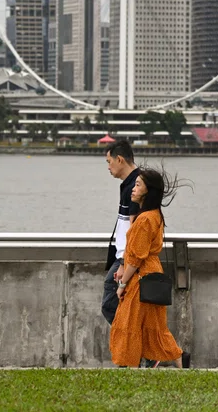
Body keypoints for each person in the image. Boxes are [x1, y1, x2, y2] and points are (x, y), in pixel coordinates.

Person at [110, 166, 190, 368]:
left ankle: (129, 362)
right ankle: (179, 359)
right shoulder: (152, 215)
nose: (132, 190)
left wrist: (122, 284)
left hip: (141, 276)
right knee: (153, 325)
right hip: (149, 273)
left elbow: (136, 257)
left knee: (129, 322)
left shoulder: (146, 219)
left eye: (137, 186)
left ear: (148, 191)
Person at [102, 139, 140, 325]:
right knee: (122, 312)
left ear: (119, 160)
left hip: (127, 258)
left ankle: (135, 350)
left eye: (109, 162)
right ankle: (142, 352)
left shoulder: (136, 186)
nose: (108, 167)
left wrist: (125, 262)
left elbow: (135, 228)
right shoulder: (130, 184)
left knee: (111, 306)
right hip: (123, 257)